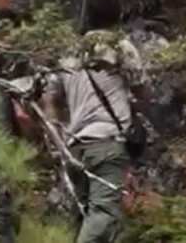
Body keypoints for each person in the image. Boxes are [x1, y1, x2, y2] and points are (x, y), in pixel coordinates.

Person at [44, 36, 147, 243]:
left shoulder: (68, 52)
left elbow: (50, 97)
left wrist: (55, 135)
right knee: (103, 217)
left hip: (74, 148)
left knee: (89, 217)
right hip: (107, 145)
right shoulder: (118, 46)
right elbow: (143, 90)